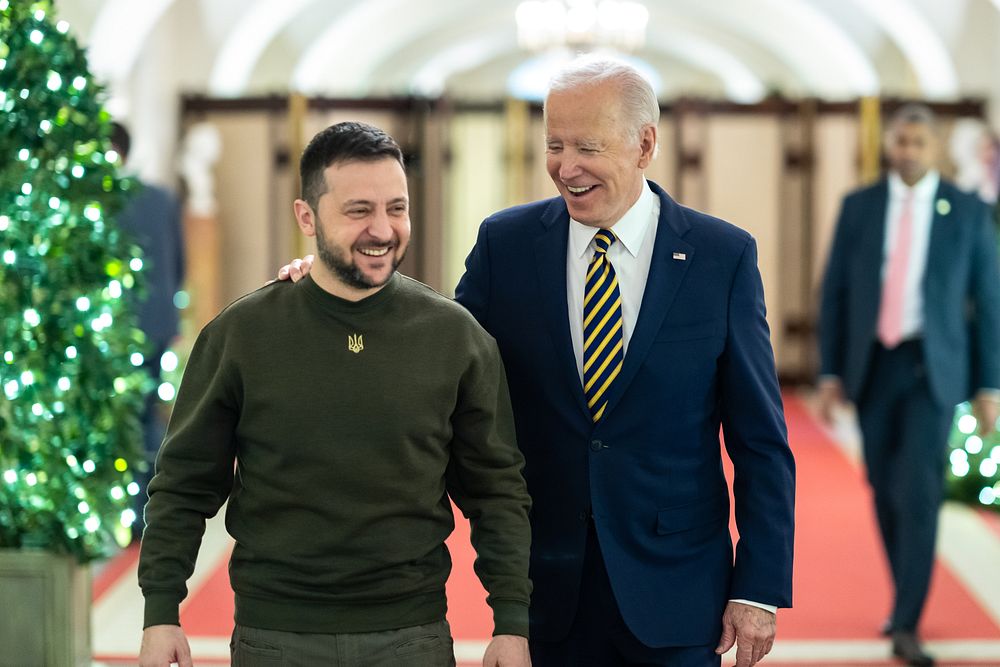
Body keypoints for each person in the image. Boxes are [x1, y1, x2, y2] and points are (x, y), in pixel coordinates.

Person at [281, 58, 795, 667]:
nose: (565, 167)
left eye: (586, 146)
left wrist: (758, 586)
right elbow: (433, 352)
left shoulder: (721, 256)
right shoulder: (507, 245)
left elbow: (760, 440)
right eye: (554, 144)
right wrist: (336, 291)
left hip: (678, 591)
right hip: (545, 589)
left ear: (645, 145)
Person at [137, 121, 532, 667]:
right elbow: (182, 485)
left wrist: (511, 622)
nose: (382, 229)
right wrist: (161, 611)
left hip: (411, 634)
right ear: (306, 217)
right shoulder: (241, 336)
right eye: (358, 210)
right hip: (274, 634)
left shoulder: (455, 337)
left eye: (397, 208)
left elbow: (497, 491)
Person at [817, 103, 1000, 666]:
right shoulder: (860, 206)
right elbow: (836, 293)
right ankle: (904, 601)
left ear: (934, 147)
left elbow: (989, 300)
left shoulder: (965, 210)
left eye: (919, 143)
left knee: (918, 492)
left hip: (933, 368)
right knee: (882, 487)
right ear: (889, 145)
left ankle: (908, 620)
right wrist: (828, 373)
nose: (909, 152)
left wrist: (990, 386)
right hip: (873, 365)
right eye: (901, 141)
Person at [110, 122, 186, 539]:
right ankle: (145, 513)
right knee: (148, 419)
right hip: (157, 322)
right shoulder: (161, 199)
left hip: (115, 329)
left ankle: (121, 513)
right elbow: (180, 263)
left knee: (119, 420)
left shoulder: (102, 200)